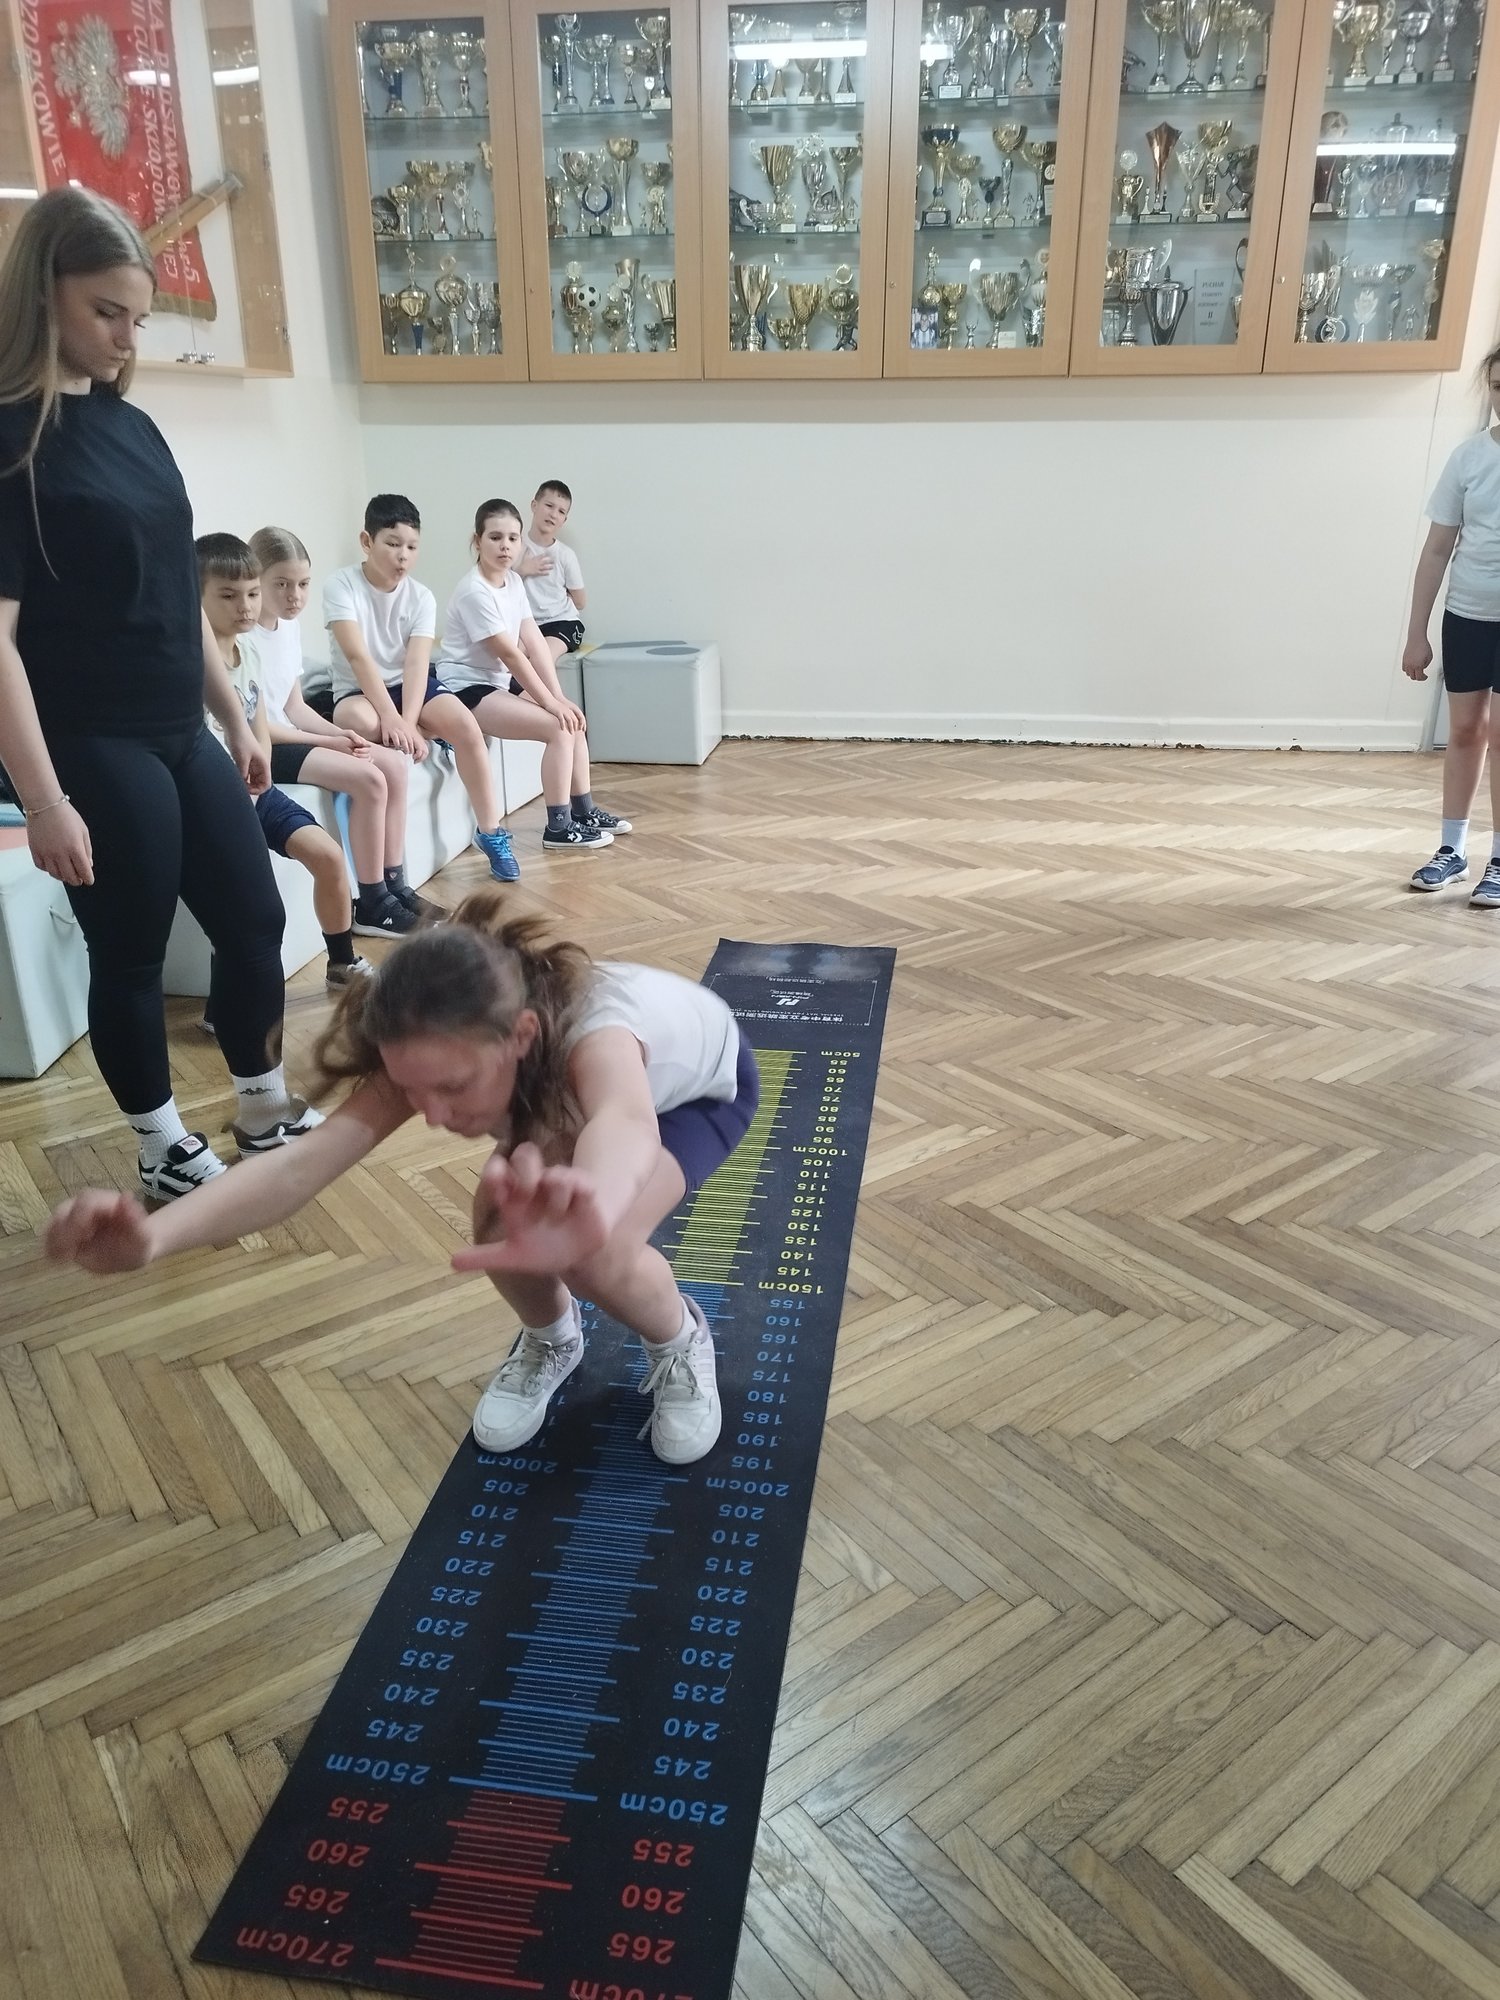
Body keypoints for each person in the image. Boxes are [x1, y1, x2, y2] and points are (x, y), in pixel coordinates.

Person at [45, 894, 762, 1468]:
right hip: (564, 1097)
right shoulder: (431, 1048)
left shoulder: (597, 1037)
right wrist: (155, 1236)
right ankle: (554, 1339)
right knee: (499, 1221)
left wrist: (594, 1206)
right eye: (416, 1092)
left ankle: (678, 1341)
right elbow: (298, 1166)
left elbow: (626, 1122)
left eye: (452, 1088)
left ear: (519, 1036)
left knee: (595, 1252)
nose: (435, 1116)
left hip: (693, 1094)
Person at [0, 186, 314, 1199]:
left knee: (254, 917)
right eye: (107, 312)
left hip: (182, 728)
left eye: (138, 317)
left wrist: (233, 717)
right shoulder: (10, 442)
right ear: (41, 293)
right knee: (130, 955)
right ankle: (162, 1143)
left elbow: (179, 593)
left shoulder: (130, 426)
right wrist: (44, 800)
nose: (126, 338)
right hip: (92, 743)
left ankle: (261, 1099)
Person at [199, 533, 371, 1011]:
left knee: (330, 857)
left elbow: (260, 734)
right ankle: (223, 1010)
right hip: (214, 802)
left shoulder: (250, 652)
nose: (245, 606)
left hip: (257, 795)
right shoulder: (192, 665)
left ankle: (341, 963)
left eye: (252, 593)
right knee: (242, 907)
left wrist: (263, 783)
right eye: (228, 596)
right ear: (197, 600)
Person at [251, 525, 442, 931]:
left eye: (303, 584)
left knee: (394, 764)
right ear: (257, 579)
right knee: (369, 779)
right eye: (281, 584)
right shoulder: (245, 637)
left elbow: (294, 706)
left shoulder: (287, 627)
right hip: (264, 746)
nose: (294, 596)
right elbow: (264, 725)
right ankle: (372, 903)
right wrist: (328, 739)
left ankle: (395, 884)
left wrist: (337, 735)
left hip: (292, 734)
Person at [322, 493, 519, 885]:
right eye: (393, 544)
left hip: (410, 687)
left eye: (412, 547)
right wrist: (391, 718)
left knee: (467, 727)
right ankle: (427, 732)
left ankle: (491, 832)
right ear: (367, 541)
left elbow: (415, 664)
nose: (403, 557)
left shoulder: (421, 596)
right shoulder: (341, 585)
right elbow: (358, 658)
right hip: (360, 691)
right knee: (361, 722)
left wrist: (408, 722)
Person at [435, 498, 631, 852]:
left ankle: (583, 811)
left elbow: (535, 643)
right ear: (477, 541)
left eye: (513, 538)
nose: (505, 546)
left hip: (495, 680)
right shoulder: (473, 592)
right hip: (466, 687)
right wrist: (552, 706)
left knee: (571, 720)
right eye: (495, 537)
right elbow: (511, 655)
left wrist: (559, 699)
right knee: (558, 727)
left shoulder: (512, 581)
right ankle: (558, 827)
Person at [1404, 340, 1500, 906]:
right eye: (1499, 387)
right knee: (1465, 731)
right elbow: (1437, 550)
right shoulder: (1469, 459)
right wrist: (1416, 633)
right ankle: (1453, 850)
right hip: (1467, 616)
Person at [519, 479, 587, 664]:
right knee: (510, 659)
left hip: (563, 623)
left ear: (564, 520)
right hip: (528, 625)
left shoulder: (565, 555)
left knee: (541, 659)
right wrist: (522, 570)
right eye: (549, 506)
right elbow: (498, 587)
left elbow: (580, 602)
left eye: (561, 511)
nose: (553, 514)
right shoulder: (515, 547)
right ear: (534, 505)